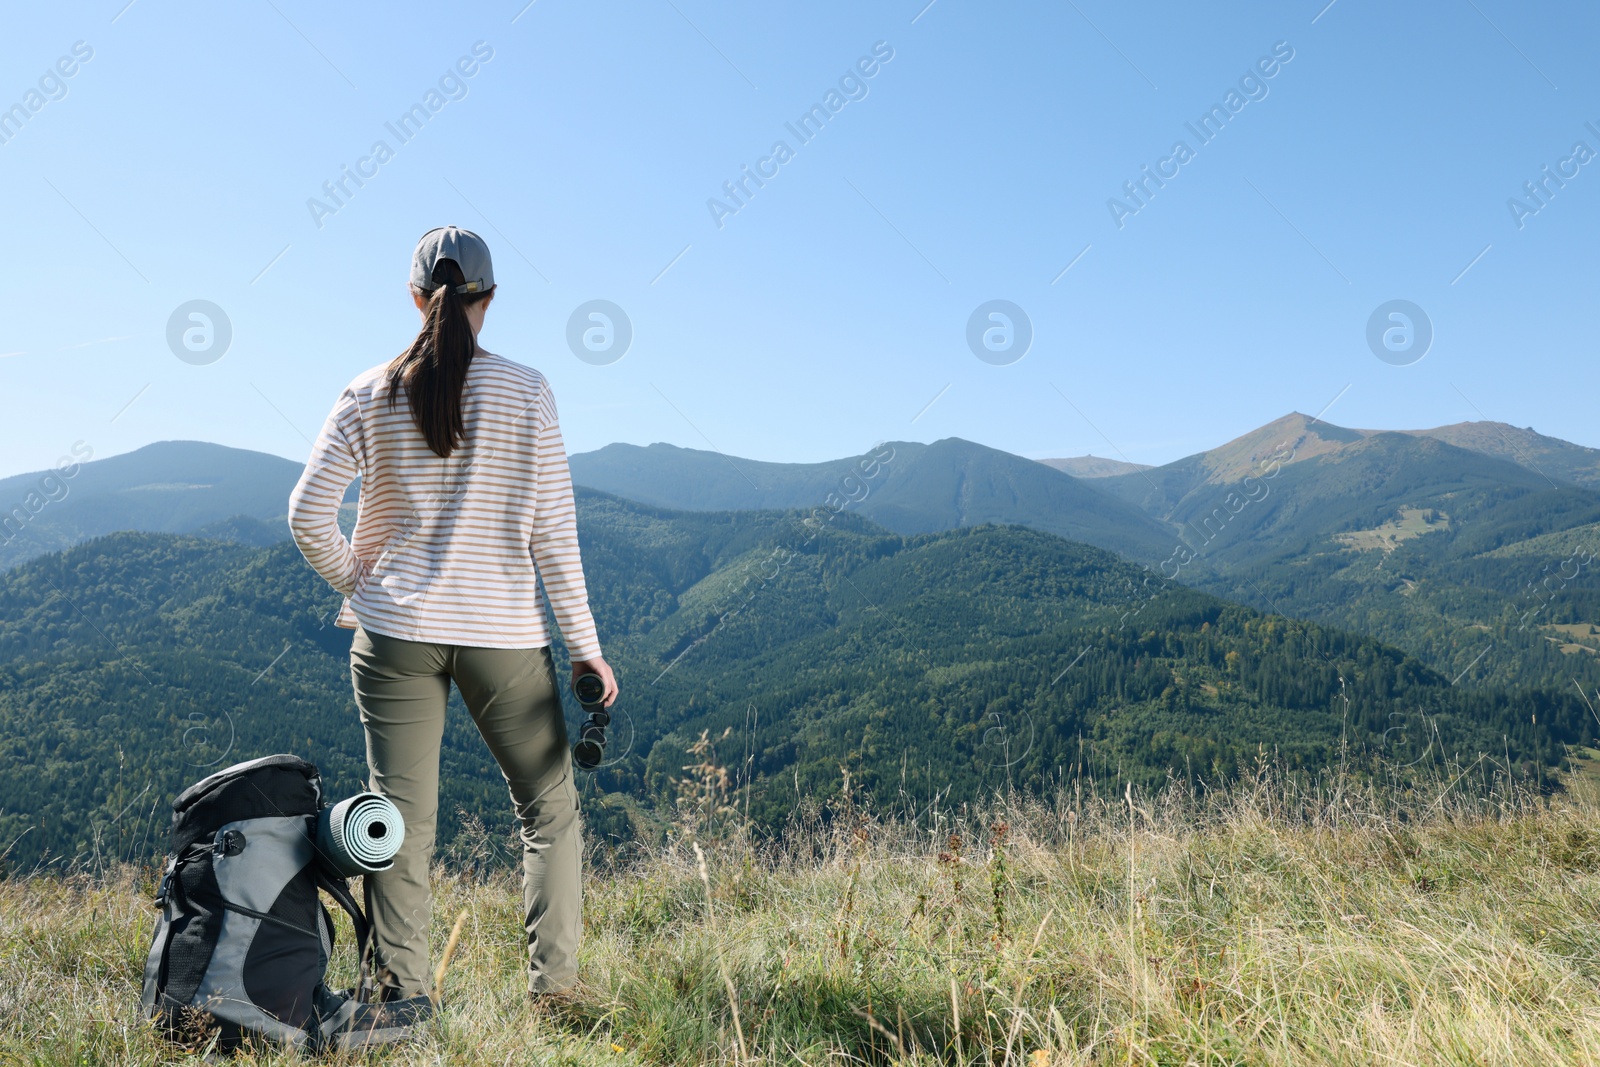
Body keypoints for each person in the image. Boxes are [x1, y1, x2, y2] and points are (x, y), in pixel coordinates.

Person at [288, 225, 616, 1004]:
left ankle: (400, 998)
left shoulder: (367, 391)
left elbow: (307, 514)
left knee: (398, 822)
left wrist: (358, 578)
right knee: (549, 809)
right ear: (489, 299)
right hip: (502, 633)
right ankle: (555, 991)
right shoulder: (527, 390)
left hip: (393, 636)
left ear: (414, 297)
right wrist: (586, 650)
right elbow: (553, 535)